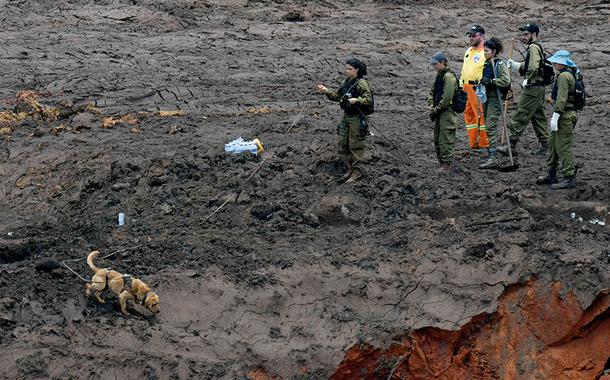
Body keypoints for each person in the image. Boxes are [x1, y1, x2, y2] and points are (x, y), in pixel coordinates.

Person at [317, 58, 373, 183]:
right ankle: (350, 169)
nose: (347, 71)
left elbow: (368, 99)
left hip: (357, 117)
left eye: (350, 69)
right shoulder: (346, 81)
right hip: (347, 116)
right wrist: (327, 91)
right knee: (344, 143)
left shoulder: (361, 83)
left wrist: (357, 100)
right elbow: (338, 96)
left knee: (356, 144)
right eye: (346, 68)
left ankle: (357, 172)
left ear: (357, 70)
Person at [499, 22, 549, 158]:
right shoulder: (537, 47)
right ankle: (546, 146)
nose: (524, 37)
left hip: (532, 88)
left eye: (526, 34)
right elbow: (529, 65)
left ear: (534, 34)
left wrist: (529, 78)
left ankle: (511, 145)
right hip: (538, 89)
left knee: (520, 115)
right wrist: (515, 65)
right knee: (538, 117)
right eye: (523, 34)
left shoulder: (533, 47)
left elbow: (533, 68)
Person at [536, 50, 578, 189]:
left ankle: (569, 177)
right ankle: (551, 174)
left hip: (565, 115)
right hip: (564, 114)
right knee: (553, 144)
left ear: (562, 63)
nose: (554, 63)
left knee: (563, 147)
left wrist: (556, 115)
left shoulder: (564, 77)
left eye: (556, 62)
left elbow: (562, 99)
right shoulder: (569, 73)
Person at [479, 37, 510, 169]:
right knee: (486, 124)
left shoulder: (499, 64)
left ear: (494, 51)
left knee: (490, 126)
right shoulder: (485, 63)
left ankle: (493, 157)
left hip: (495, 98)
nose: (484, 53)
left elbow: (506, 81)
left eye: (487, 51)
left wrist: (492, 81)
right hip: (486, 97)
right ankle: (490, 151)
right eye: (483, 51)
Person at [427, 52, 458, 170]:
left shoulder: (449, 76)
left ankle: (446, 164)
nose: (433, 67)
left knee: (445, 138)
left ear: (442, 63)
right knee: (437, 138)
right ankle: (443, 162)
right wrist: (431, 103)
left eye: (435, 64)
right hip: (440, 111)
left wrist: (436, 109)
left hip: (446, 112)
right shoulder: (440, 75)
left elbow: (447, 98)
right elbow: (433, 91)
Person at [461, 25, 488, 153]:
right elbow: (464, 69)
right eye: (470, 35)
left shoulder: (486, 52)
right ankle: (473, 143)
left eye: (474, 35)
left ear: (482, 36)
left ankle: (484, 143)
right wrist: (461, 85)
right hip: (466, 87)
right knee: (469, 114)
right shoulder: (468, 51)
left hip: (478, 88)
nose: (471, 38)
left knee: (480, 115)